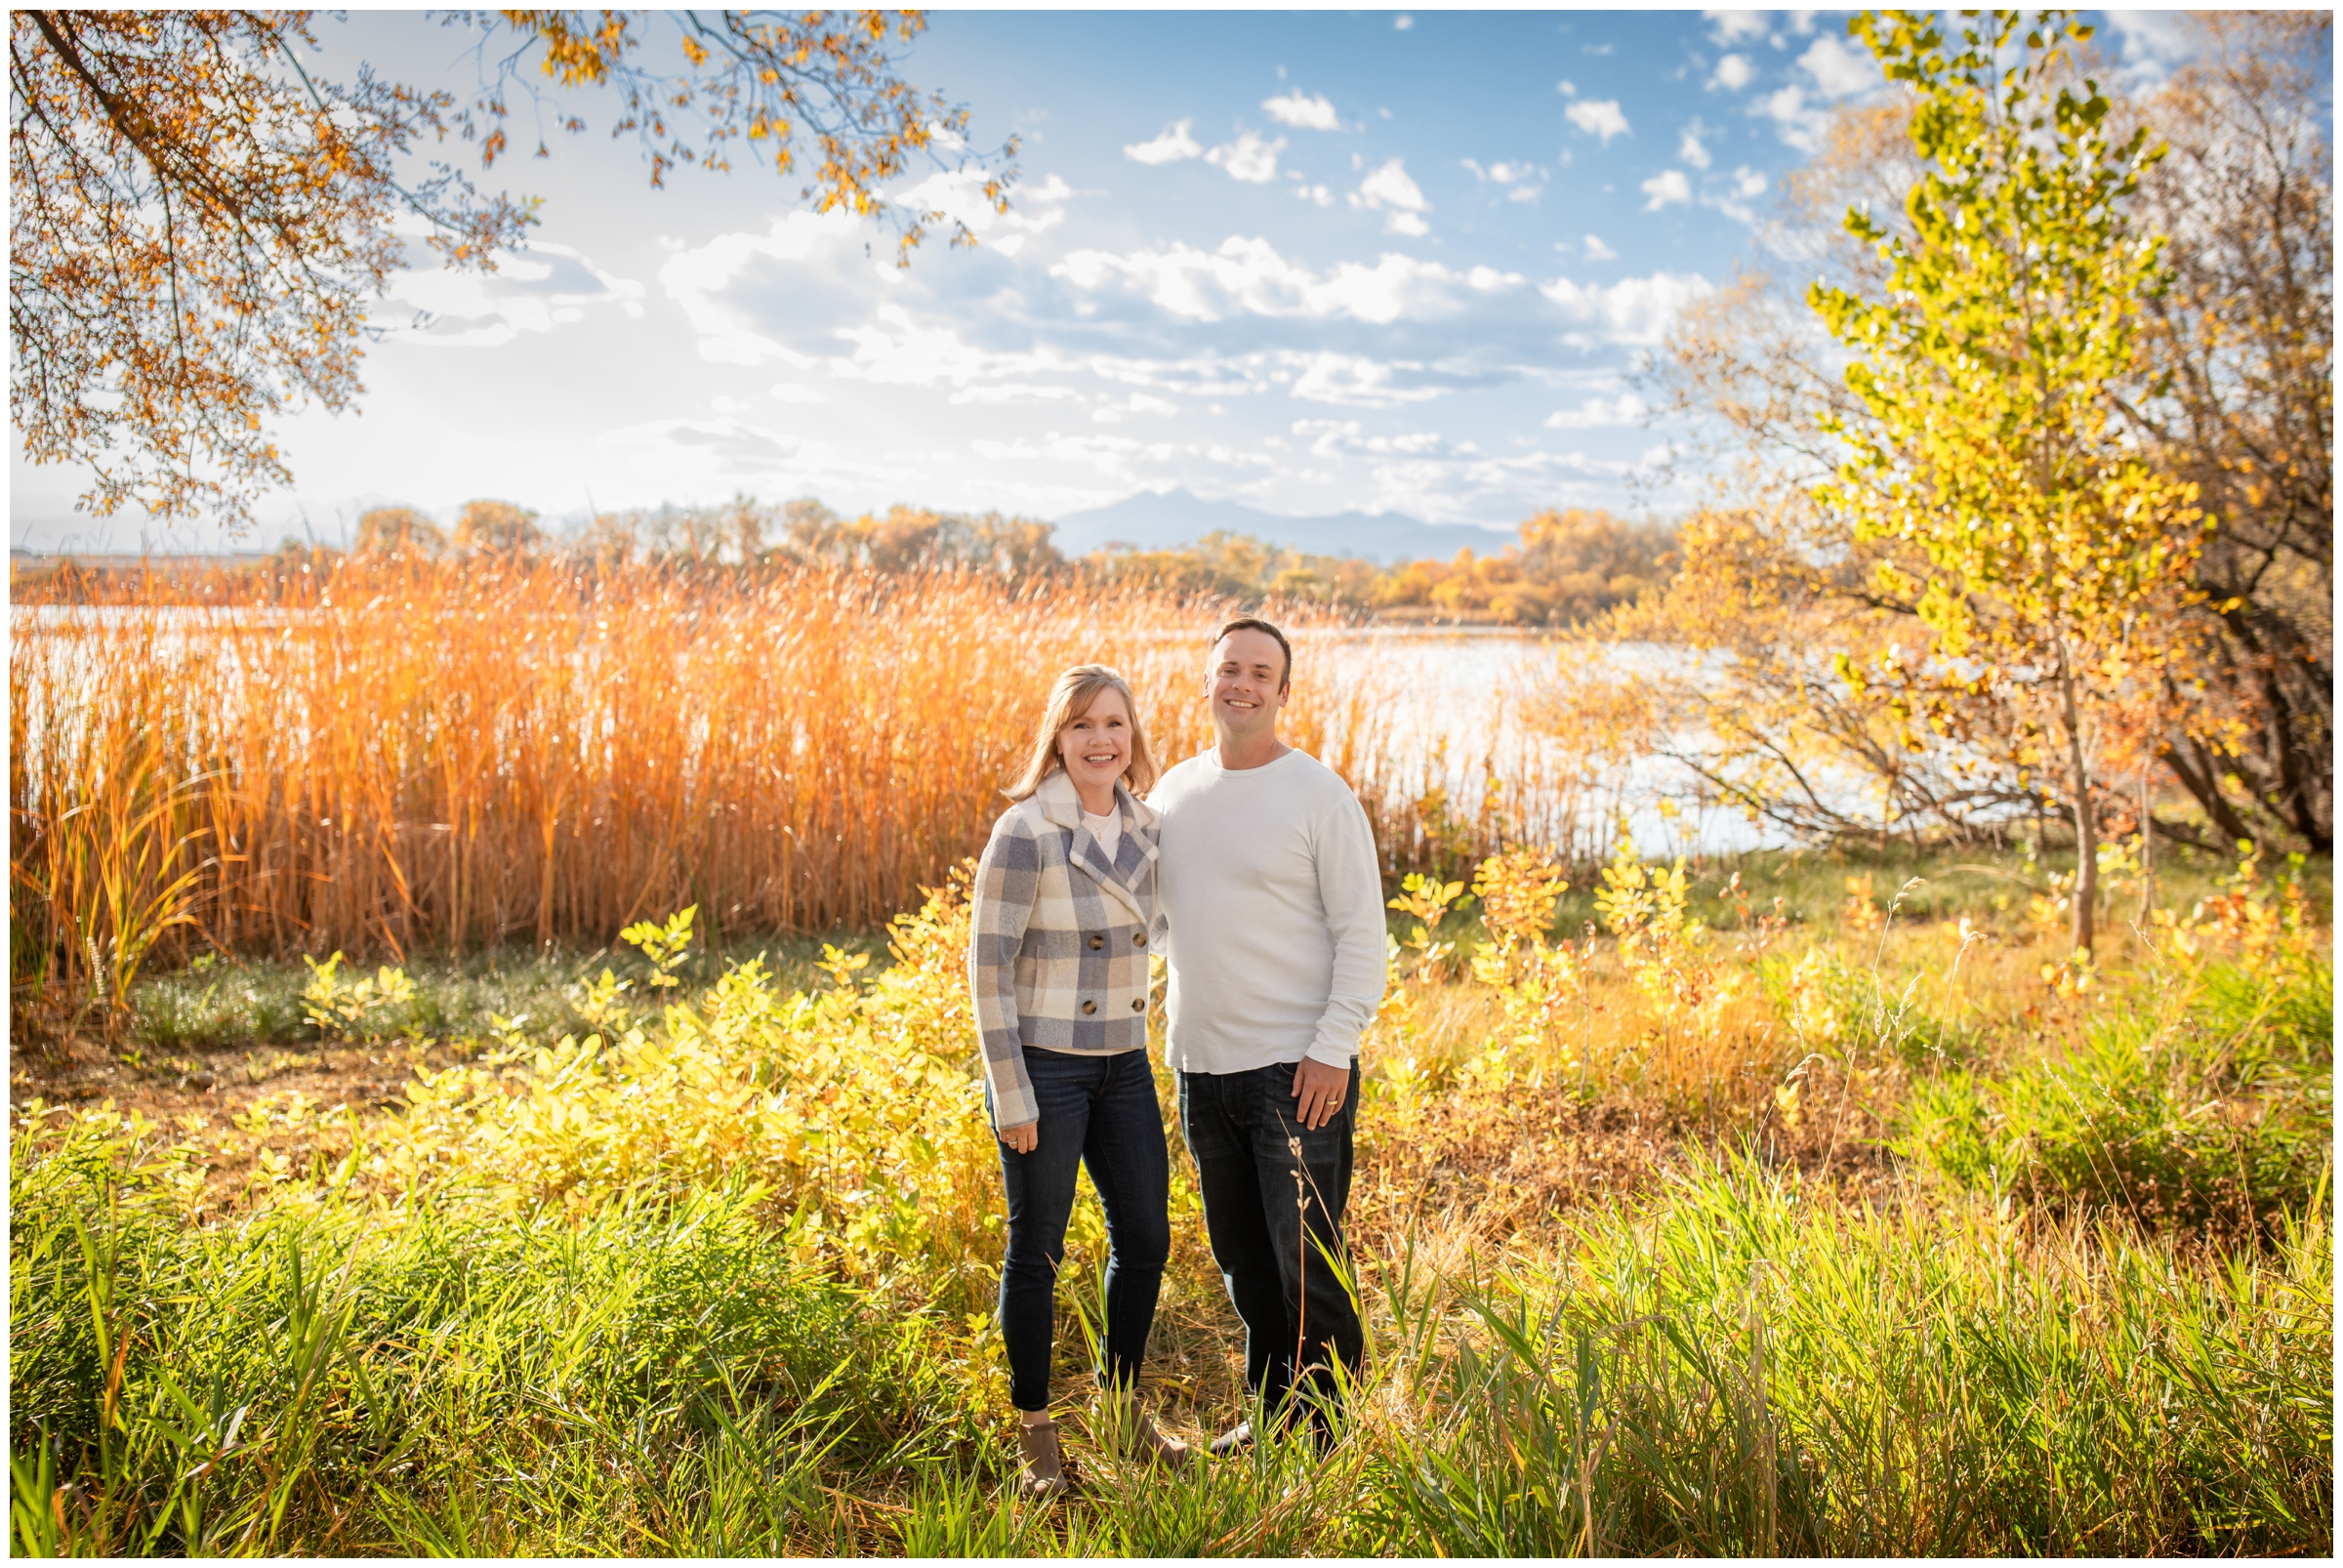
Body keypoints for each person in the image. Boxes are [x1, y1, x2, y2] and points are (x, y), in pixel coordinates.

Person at [1150, 617, 1387, 1451]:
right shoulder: (1172, 794)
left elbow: (1363, 932)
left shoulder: (1319, 795)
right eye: (1228, 670)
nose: (1241, 684)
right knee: (1246, 1265)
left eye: (1260, 672)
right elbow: (1157, 924)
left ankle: (1329, 1445)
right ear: (1207, 682)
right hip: (1201, 1069)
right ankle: (1271, 1419)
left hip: (1296, 1070)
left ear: (1283, 692)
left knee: (1308, 1268)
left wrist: (1333, 1046)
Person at [967, 664, 1191, 1498]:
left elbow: (1174, 925)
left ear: (1133, 740)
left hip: (1123, 1064)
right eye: (1083, 726)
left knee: (1146, 1239)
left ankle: (1122, 1406)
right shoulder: (1026, 831)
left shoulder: (1149, 828)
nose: (1101, 740)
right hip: (1044, 1070)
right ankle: (1035, 1429)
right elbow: (987, 972)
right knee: (1038, 1249)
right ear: (1056, 739)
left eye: (1116, 725)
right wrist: (1012, 1091)